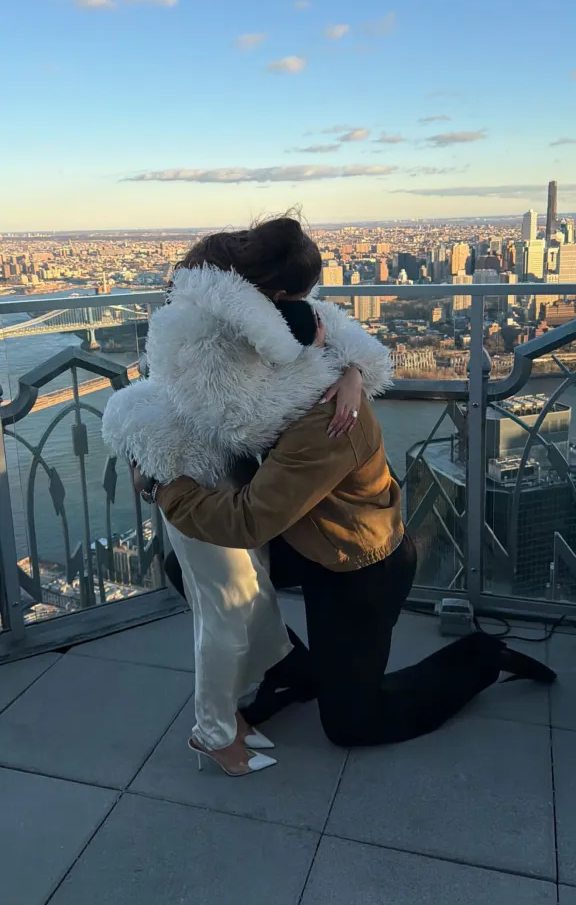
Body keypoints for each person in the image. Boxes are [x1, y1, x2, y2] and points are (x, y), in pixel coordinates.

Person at [135, 298, 556, 749]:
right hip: (312, 538)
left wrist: (161, 490)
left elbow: (248, 521)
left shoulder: (325, 422)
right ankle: (295, 670)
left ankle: (480, 656)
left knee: (353, 724)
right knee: (190, 570)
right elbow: (327, 323)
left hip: (360, 566)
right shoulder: (297, 383)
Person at [103, 215, 394, 773]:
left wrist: (352, 369)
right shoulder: (201, 333)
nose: (304, 309)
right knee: (227, 609)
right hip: (189, 473)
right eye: (296, 300)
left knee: (250, 598)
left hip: (225, 476)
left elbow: (347, 339)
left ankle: (239, 709)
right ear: (275, 294)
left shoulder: (246, 309)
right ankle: (213, 733)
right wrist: (328, 365)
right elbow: (246, 417)